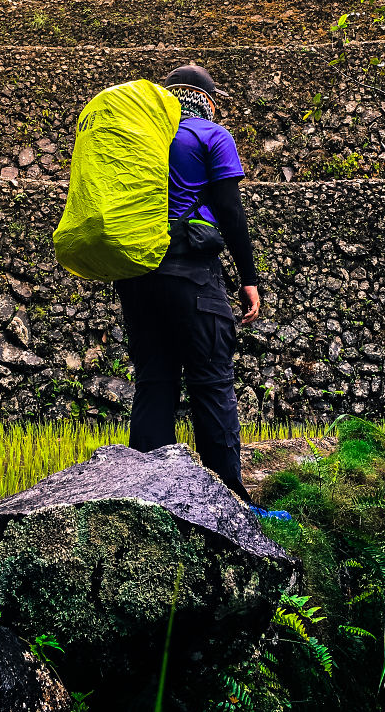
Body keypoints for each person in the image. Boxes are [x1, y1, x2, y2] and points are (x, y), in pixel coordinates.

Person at [115, 63, 260, 503]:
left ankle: (143, 502)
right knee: (210, 381)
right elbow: (231, 214)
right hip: (192, 276)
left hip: (136, 278)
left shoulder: (141, 136)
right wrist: (248, 279)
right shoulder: (209, 136)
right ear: (208, 102)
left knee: (154, 381)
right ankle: (229, 504)